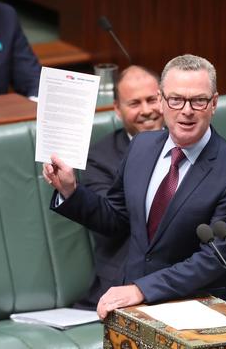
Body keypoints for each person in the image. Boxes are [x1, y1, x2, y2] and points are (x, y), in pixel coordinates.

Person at [43, 54, 226, 319]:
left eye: (199, 100)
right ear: (161, 100)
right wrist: (70, 191)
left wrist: (142, 290)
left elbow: (214, 258)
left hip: (195, 309)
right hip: (131, 306)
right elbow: (117, 218)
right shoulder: (142, 146)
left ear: (213, 103)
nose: (186, 110)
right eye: (176, 99)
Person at [76, 65, 164, 309]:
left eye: (152, 99)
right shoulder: (100, 158)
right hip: (125, 280)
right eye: (134, 103)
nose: (146, 111)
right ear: (117, 109)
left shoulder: (186, 143)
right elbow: (113, 220)